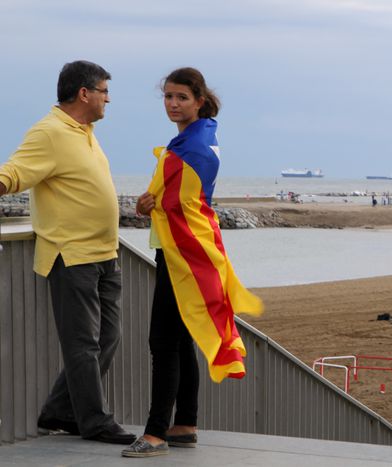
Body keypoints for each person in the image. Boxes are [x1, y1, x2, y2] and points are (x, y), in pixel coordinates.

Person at [123, 68, 263, 457]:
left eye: (181, 97)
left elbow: (181, 199)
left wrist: (153, 201)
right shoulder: (195, 138)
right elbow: (171, 196)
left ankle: (155, 434)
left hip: (183, 252)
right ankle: (184, 423)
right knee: (180, 338)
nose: (172, 104)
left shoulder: (193, 146)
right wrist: (149, 202)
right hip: (179, 248)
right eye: (168, 97)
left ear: (199, 100)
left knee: (163, 341)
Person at [0, 61, 135, 444]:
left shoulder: (86, 131)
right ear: (84, 94)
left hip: (105, 254)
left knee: (108, 336)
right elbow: (12, 174)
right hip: (71, 255)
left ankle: (60, 410)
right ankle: (94, 421)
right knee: (83, 344)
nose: (108, 98)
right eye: (105, 91)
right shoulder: (49, 132)